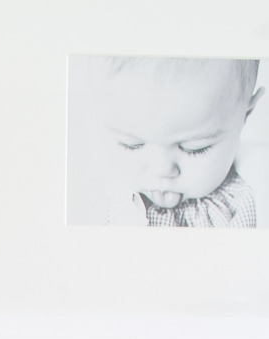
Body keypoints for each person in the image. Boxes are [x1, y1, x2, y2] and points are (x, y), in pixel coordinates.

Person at [83, 57, 265, 227]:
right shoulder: (98, 201)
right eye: (132, 145)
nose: (161, 170)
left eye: (195, 149)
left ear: (245, 115)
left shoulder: (250, 200)